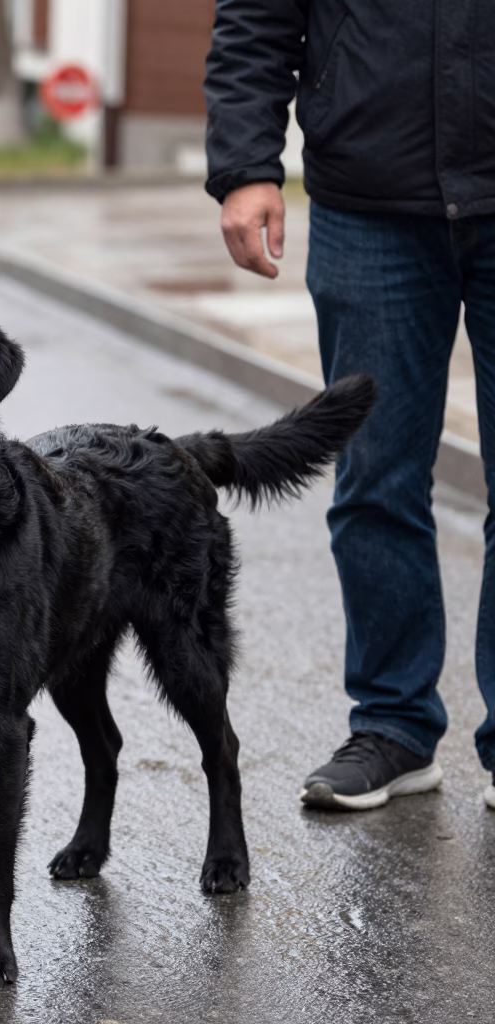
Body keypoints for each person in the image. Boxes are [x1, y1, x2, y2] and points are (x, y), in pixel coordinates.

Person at [204, 1, 495, 812]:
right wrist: (246, 165)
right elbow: (257, 16)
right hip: (370, 198)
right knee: (375, 477)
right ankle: (394, 726)